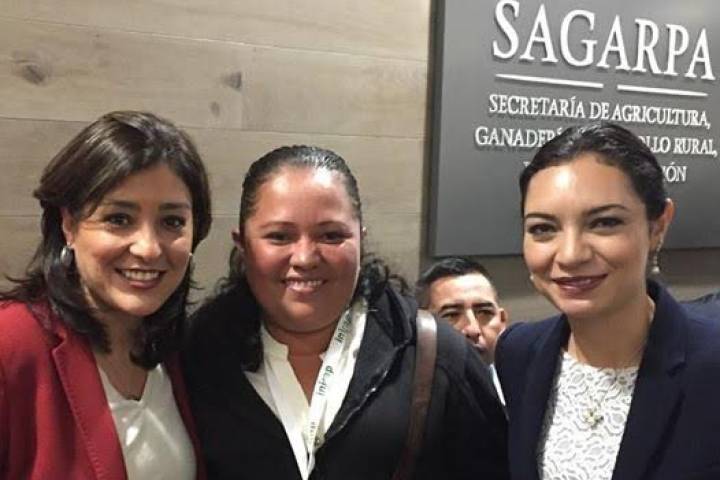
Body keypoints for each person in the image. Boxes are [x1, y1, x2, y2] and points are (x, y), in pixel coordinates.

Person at [183, 145, 508, 480]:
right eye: (279, 237)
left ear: (360, 240)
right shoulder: (196, 357)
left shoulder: (436, 354)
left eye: (331, 235)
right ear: (243, 245)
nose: (305, 258)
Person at [496, 121, 720, 480]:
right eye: (543, 228)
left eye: (604, 223)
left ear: (658, 226)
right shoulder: (518, 353)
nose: (570, 254)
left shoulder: (710, 365)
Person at [0, 111, 211, 479]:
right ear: (69, 225)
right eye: (118, 219)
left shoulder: (178, 349)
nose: (148, 248)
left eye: (172, 222)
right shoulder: (12, 343)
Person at [416, 257, 508, 403]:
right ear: (423, 326)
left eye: (485, 312)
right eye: (451, 315)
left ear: (502, 321)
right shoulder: (411, 401)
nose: (473, 330)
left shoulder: (525, 390)